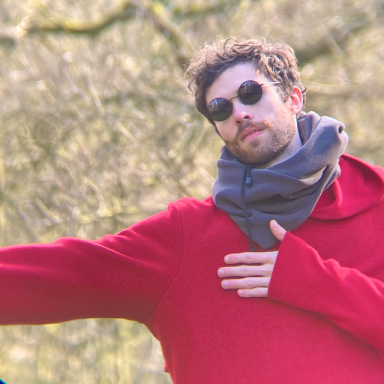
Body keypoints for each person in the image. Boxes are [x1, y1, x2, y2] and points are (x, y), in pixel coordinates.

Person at [1, 36, 384, 384]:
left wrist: (316, 282)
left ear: (294, 98)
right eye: (220, 109)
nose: (239, 113)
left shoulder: (376, 200)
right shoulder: (187, 237)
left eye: (251, 93)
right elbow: (64, 275)